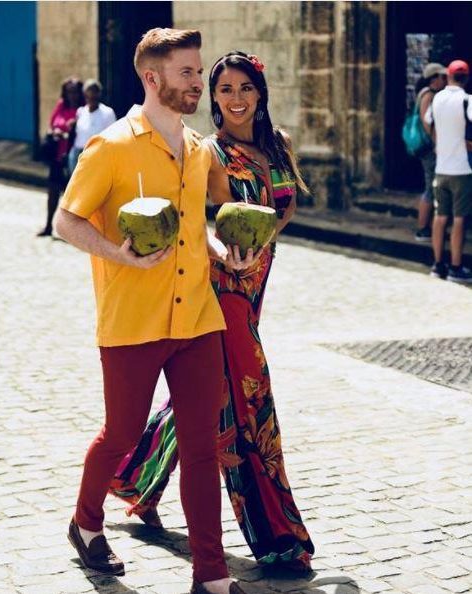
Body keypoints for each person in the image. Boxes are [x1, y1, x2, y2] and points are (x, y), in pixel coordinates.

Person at [55, 28, 255, 594]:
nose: (200, 83)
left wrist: (225, 253)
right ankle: (86, 522)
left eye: (198, 73)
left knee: (200, 447)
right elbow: (67, 220)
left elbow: (196, 231)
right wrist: (116, 253)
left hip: (198, 318)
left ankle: (211, 575)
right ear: (153, 78)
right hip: (132, 320)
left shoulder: (197, 151)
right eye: (189, 73)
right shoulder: (112, 147)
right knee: (120, 434)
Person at [110, 51, 315, 574]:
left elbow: (283, 205)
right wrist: (229, 257)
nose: (237, 97)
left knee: (209, 398)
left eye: (245, 87)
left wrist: (262, 244)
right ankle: (277, 535)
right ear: (215, 98)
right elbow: (193, 222)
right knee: (250, 397)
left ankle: (133, 477)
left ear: (259, 93)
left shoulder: (279, 145)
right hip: (223, 290)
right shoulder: (211, 154)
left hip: (255, 284)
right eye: (225, 89)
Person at [425, 59, 472, 283]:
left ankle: (437, 264)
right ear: (467, 78)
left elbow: (429, 123)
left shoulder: (437, 99)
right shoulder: (467, 101)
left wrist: (439, 144)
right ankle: (456, 266)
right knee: (459, 218)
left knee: (440, 217)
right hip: (461, 169)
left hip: (441, 167)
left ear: (449, 76)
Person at [37, 77, 84, 237]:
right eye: (69, 92)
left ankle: (74, 232)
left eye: (75, 92)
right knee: (52, 191)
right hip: (57, 157)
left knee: (74, 197)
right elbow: (52, 124)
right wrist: (56, 132)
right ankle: (48, 225)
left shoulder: (83, 111)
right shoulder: (61, 106)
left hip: (74, 159)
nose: (72, 95)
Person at [414, 63, 447, 242]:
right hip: (429, 148)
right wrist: (437, 143)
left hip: (428, 147)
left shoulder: (428, 94)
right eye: (442, 77)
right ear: (434, 78)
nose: (444, 80)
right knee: (430, 187)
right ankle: (422, 228)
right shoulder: (428, 95)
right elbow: (427, 123)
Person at [68, 79, 116, 175]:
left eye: (94, 96)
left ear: (99, 95)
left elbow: (113, 137)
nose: (91, 99)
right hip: (78, 153)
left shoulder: (108, 113)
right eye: (88, 96)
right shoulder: (81, 111)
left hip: (97, 154)